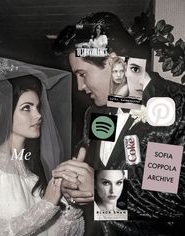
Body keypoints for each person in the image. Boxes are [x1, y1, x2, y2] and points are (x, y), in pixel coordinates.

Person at [53, 12, 185, 236]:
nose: (79, 86)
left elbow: (171, 197)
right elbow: (97, 175)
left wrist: (97, 188)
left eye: (82, 74)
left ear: (114, 61)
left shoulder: (174, 105)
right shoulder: (96, 113)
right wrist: (75, 186)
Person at [0, 55, 84, 236]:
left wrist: (71, 201)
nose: (38, 115)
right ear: (3, 113)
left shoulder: (36, 170)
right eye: (27, 108)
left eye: (38, 107)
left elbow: (52, 232)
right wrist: (46, 206)